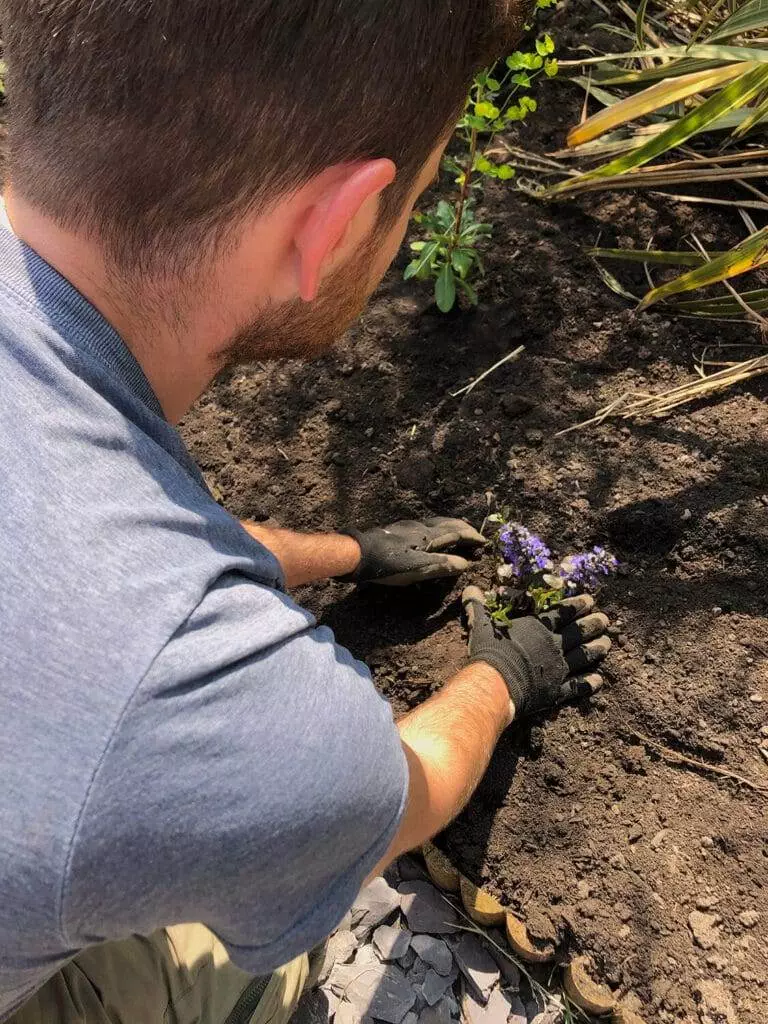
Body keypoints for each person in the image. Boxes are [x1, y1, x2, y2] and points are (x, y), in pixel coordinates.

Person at [0, 2, 612, 1022]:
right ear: (330, 226)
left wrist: (350, 555)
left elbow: (85, 568)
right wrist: (503, 676)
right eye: (416, 201)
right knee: (255, 966)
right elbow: (396, 791)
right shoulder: (224, 710)